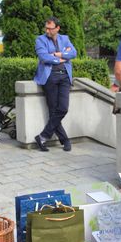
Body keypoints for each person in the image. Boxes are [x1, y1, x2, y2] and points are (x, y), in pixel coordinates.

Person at [33, 16, 77, 152]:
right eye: (46, 28)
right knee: (53, 111)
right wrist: (62, 58)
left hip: (65, 77)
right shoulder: (40, 40)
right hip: (49, 77)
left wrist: (57, 54)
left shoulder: (65, 39)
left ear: (57, 28)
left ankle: (43, 136)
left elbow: (74, 53)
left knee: (63, 108)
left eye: (50, 28)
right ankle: (65, 140)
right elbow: (44, 57)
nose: (47, 31)